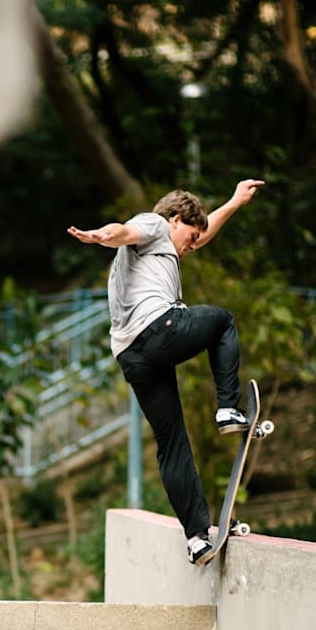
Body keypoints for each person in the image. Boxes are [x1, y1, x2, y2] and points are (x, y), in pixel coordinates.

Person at [67, 179, 265, 564]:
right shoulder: (156, 225)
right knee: (222, 322)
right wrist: (100, 235)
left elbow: (200, 236)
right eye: (190, 235)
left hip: (133, 357)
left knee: (171, 442)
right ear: (176, 219)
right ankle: (228, 408)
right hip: (159, 329)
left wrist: (234, 202)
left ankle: (195, 538)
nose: (192, 246)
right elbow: (124, 231)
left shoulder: (163, 247)